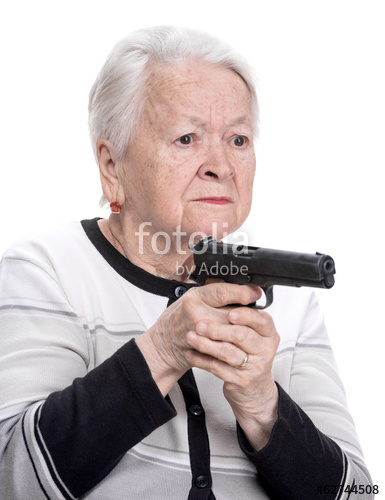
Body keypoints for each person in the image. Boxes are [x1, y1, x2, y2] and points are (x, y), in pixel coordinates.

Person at [0, 26, 373, 500]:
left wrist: (264, 408)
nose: (220, 163)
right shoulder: (47, 269)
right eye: (186, 138)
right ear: (113, 168)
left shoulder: (289, 308)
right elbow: (11, 479)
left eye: (238, 139)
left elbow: (358, 493)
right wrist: (161, 352)